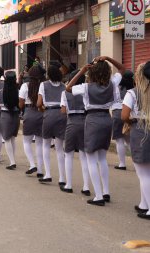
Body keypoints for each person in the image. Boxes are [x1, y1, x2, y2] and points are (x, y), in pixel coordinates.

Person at [67, 56, 125, 206]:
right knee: (102, 158)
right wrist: (108, 58)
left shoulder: (86, 87)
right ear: (107, 72)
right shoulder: (112, 83)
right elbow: (123, 69)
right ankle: (106, 192)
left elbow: (68, 88)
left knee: (91, 158)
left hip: (92, 120)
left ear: (91, 73)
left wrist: (81, 71)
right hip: (107, 119)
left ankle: (98, 196)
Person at [122, 62, 150, 219]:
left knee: (143, 173)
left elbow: (124, 116)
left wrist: (132, 120)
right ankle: (143, 204)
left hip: (140, 131)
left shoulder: (133, 93)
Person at [60, 70, 90, 195]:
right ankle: (86, 187)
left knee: (69, 154)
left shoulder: (65, 93)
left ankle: (69, 184)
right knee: (84, 155)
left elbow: (63, 111)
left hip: (71, 122)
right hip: (85, 121)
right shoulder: (86, 90)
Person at [37, 64, 67, 185]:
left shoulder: (43, 85)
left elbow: (39, 103)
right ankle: (62, 178)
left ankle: (48, 174)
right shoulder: (64, 86)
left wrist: (45, 110)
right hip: (61, 114)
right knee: (60, 148)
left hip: (49, 113)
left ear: (48, 74)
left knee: (46, 145)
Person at [19, 66, 45, 178]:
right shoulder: (43, 85)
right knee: (39, 143)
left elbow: (21, 103)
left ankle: (32, 164)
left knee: (26, 141)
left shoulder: (25, 86)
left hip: (29, 112)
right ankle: (40, 169)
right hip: (41, 112)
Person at [112, 71, 134, 170]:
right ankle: (136, 162)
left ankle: (122, 164)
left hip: (117, 113)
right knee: (129, 140)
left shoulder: (115, 86)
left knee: (119, 140)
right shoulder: (132, 90)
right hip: (129, 114)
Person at [0, 71, 20, 170]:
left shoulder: (0, 92)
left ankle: (12, 162)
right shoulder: (18, 91)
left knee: (6, 139)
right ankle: (13, 160)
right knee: (12, 138)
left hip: (5, 115)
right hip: (16, 115)